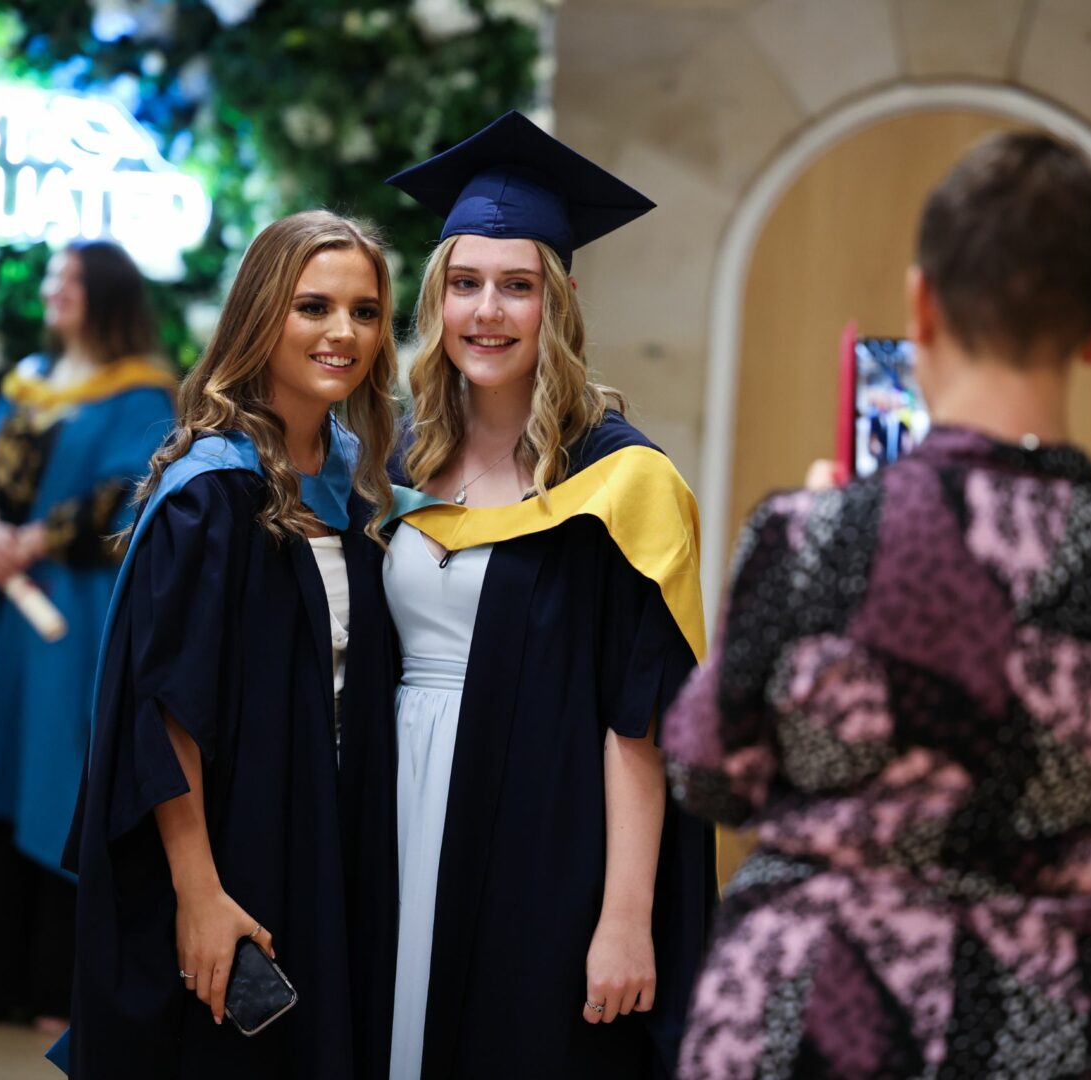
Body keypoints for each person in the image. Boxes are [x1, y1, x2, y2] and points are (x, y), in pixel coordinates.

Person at [663, 131, 1091, 1079]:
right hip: (1080, 1021)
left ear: (922, 304)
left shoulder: (814, 536)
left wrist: (817, 531)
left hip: (822, 1012)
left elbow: (709, 772)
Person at [339, 111, 715, 1080]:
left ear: (562, 302)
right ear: (438, 298)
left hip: (544, 830)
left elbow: (638, 720)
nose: (488, 312)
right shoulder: (396, 458)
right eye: (465, 285)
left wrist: (625, 917)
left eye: (517, 287)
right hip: (392, 806)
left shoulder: (623, 483)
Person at [54, 211, 399, 1078]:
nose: (341, 333)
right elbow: (166, 710)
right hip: (237, 840)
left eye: (364, 311)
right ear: (259, 315)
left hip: (331, 829)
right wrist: (200, 893)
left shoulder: (361, 489)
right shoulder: (212, 491)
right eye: (313, 306)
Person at [0, 239, 175, 1029]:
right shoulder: (28, 384)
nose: (53, 291)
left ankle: (53, 990)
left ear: (105, 293)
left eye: (69, 279)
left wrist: (39, 538)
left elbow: (134, 490)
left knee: (58, 779)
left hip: (73, 608)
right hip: (3, 610)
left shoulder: (143, 395)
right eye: (52, 279)